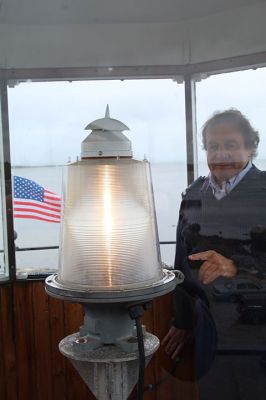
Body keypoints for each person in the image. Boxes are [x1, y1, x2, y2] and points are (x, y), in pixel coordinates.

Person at [162, 109, 266, 379]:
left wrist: (235, 266)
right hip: (211, 329)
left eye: (230, 145)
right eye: (213, 146)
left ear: (252, 147)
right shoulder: (193, 195)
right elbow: (181, 262)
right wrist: (183, 322)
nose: (220, 154)